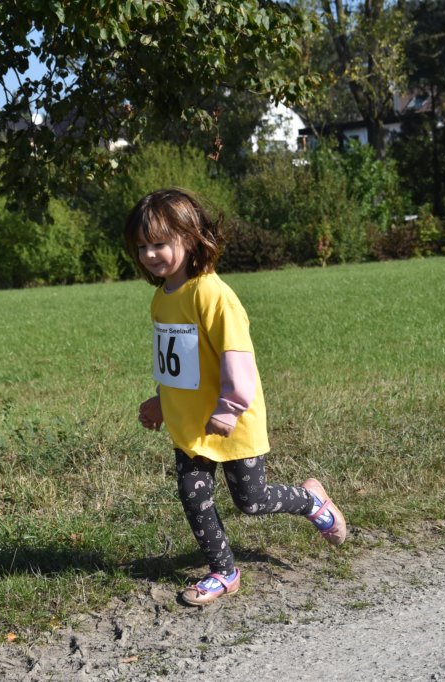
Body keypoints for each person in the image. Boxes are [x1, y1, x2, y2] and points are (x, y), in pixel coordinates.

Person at [123, 188, 347, 607]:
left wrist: (228, 409)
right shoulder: (162, 298)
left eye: (159, 243)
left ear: (190, 238)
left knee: (252, 501)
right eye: (141, 247)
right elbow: (178, 366)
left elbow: (238, 362)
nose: (149, 254)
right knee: (194, 496)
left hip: (232, 421)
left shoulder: (213, 295)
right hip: (190, 425)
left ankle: (312, 500)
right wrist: (160, 402)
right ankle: (224, 571)